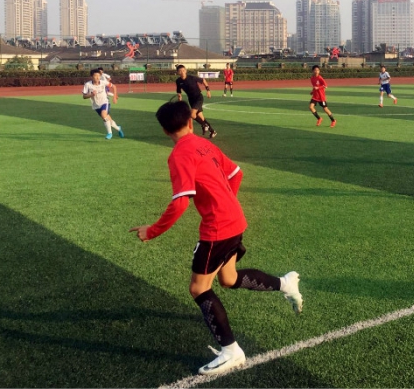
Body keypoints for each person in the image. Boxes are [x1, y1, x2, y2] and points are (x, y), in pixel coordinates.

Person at [129, 100, 302, 376]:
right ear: (190, 122)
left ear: (164, 131)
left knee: (198, 288)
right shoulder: (204, 144)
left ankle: (231, 351)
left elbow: (181, 202)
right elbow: (237, 173)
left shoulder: (178, 155)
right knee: (229, 278)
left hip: (218, 228)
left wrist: (152, 230)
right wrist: (226, 202)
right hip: (235, 219)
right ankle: (285, 284)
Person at [175, 64, 217, 138]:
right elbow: (179, 91)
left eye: (183, 70)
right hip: (191, 100)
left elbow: (203, 80)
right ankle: (212, 131)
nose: (182, 72)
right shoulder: (178, 81)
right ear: (178, 72)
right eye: (180, 71)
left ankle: (204, 125)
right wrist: (179, 98)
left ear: (186, 71)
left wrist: (208, 90)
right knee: (201, 118)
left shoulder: (192, 78)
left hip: (198, 97)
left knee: (192, 114)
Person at [82, 69, 124, 140]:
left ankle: (109, 133)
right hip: (96, 105)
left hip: (105, 102)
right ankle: (118, 128)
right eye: (95, 76)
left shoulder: (103, 82)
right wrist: (91, 94)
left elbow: (114, 86)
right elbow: (84, 96)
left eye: (99, 76)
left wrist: (114, 97)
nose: (97, 77)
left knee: (104, 115)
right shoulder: (87, 85)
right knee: (107, 119)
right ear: (92, 76)